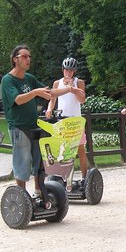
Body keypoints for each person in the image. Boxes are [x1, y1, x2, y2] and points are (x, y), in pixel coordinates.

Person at [1, 45, 76, 193]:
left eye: (29, 56)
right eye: (24, 56)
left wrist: (69, 89)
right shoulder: (8, 80)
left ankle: (39, 191)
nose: (28, 59)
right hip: (19, 127)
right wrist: (35, 92)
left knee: (39, 161)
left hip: (34, 126)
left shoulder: (30, 78)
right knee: (22, 163)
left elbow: (49, 92)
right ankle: (21, 195)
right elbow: (17, 100)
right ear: (15, 59)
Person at [45, 57, 88, 187]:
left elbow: (82, 100)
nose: (68, 73)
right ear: (63, 70)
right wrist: (49, 109)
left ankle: (85, 178)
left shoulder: (78, 82)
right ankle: (63, 178)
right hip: (62, 120)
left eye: (71, 71)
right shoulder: (57, 83)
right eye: (66, 70)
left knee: (80, 149)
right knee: (62, 150)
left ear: (74, 71)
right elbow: (52, 98)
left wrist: (72, 88)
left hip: (75, 121)